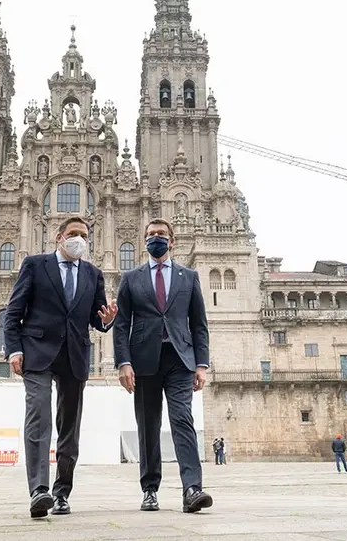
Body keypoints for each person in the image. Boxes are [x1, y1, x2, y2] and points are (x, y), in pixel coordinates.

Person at [3, 216, 117, 519]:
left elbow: (96, 318)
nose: (79, 239)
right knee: (38, 417)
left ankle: (62, 493)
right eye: (74, 233)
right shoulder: (35, 265)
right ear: (59, 236)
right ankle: (39, 491)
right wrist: (14, 349)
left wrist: (106, 321)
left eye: (84, 235)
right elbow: (13, 312)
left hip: (75, 356)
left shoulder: (93, 274)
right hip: (37, 353)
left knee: (69, 428)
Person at [114, 218, 213, 514]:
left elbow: (199, 324)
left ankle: (192, 488)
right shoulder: (131, 278)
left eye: (160, 234)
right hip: (143, 360)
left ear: (171, 241)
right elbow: (122, 325)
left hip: (180, 358)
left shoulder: (189, 277)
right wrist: (123, 362)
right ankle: (150, 490)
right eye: (150, 234)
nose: (155, 238)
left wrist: (202, 364)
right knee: (148, 425)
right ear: (145, 240)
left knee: (182, 419)